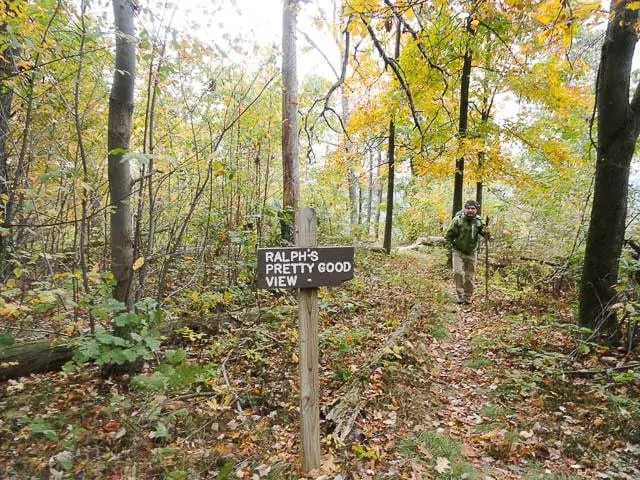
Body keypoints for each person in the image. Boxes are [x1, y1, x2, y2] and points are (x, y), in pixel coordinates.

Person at [444, 200, 490, 305]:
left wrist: (487, 232)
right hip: (458, 251)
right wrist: (452, 245)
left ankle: (467, 297)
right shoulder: (457, 220)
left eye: (473, 208)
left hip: (472, 252)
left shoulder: (479, 222)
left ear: (476, 210)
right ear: (465, 209)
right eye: (468, 208)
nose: (470, 210)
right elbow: (448, 236)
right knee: (458, 273)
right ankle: (460, 296)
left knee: (470, 276)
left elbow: (486, 236)